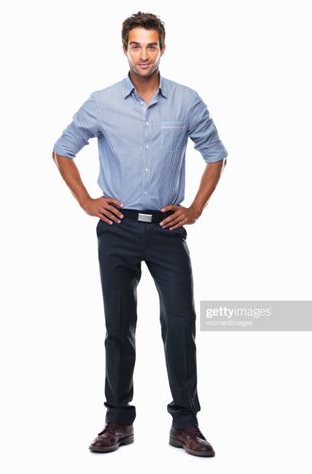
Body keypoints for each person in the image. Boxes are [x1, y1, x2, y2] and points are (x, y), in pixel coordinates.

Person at [52, 11, 227, 457]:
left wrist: (196, 208)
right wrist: (86, 201)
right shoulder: (102, 102)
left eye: (152, 45)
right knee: (118, 327)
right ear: (124, 49)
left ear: (162, 48)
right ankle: (117, 421)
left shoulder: (186, 101)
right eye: (136, 45)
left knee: (180, 324)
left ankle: (185, 425)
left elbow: (216, 155)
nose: (144, 54)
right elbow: (63, 149)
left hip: (168, 229)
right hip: (116, 228)